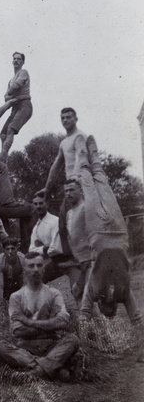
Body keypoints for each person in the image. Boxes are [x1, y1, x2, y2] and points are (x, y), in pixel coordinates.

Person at [74, 136, 144, 344]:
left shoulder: (93, 292)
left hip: (97, 232)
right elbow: (136, 316)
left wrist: (82, 339)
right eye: (111, 312)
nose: (108, 310)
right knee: (103, 184)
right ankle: (93, 154)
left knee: (88, 186)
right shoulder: (124, 294)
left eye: (105, 311)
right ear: (115, 307)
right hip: (119, 231)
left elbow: (85, 312)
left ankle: (81, 151)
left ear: (100, 306)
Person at [0, 253, 79, 380]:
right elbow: (18, 331)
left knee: (73, 339)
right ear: (24, 269)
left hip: (51, 345)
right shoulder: (16, 297)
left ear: (44, 268)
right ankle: (49, 368)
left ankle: (36, 371)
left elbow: (63, 322)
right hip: (26, 348)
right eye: (31, 266)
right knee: (0, 346)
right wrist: (50, 324)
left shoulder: (54, 293)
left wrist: (28, 322)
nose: (35, 269)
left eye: (39, 265)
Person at [38, 107, 87, 258]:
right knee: (63, 221)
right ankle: (71, 256)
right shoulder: (64, 142)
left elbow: (81, 156)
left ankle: (84, 255)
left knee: (81, 220)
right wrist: (46, 188)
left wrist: (77, 179)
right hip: (70, 187)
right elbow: (56, 166)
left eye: (68, 117)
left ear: (75, 119)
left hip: (81, 186)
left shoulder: (80, 137)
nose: (65, 120)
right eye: (63, 118)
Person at [0, 52, 32, 163]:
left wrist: (11, 94)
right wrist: (11, 95)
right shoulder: (10, 80)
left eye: (19, 59)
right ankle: (3, 159)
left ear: (23, 62)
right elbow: (6, 98)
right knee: (3, 133)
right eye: (14, 59)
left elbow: (16, 87)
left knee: (11, 128)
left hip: (24, 105)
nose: (16, 60)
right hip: (15, 107)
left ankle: (2, 155)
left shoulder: (23, 72)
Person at [29, 193, 62, 258]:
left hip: (59, 259)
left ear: (47, 204)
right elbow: (31, 249)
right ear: (33, 206)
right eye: (35, 204)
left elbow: (56, 248)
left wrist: (40, 248)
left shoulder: (55, 221)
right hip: (44, 260)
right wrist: (44, 248)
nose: (38, 206)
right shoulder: (36, 227)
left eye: (41, 203)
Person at [0, 238, 25, 302]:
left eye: (13, 248)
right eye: (7, 249)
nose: (10, 252)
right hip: (5, 286)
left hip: (19, 285)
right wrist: (1, 304)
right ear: (3, 250)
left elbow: (26, 281)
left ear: (17, 249)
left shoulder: (23, 258)